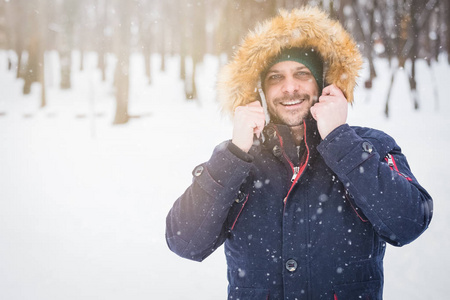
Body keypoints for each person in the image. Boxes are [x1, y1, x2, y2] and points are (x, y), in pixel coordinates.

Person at [165, 6, 433, 300]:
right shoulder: (238, 159)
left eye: (302, 73)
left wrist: (340, 140)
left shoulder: (370, 146)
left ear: (324, 83)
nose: (289, 88)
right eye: (275, 77)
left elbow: (408, 223)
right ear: (260, 91)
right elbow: (185, 241)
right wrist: (234, 153)